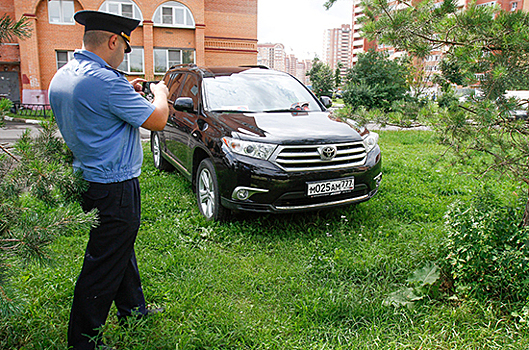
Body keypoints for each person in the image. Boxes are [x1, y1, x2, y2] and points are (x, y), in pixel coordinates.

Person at [48, 10, 169, 350]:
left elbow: (97, 108)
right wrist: (159, 92)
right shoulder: (105, 82)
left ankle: (134, 311)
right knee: (102, 264)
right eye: (125, 49)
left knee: (117, 248)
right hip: (115, 185)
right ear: (114, 41)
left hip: (88, 180)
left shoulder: (65, 75)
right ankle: (84, 341)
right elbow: (157, 119)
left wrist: (125, 91)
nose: (123, 57)